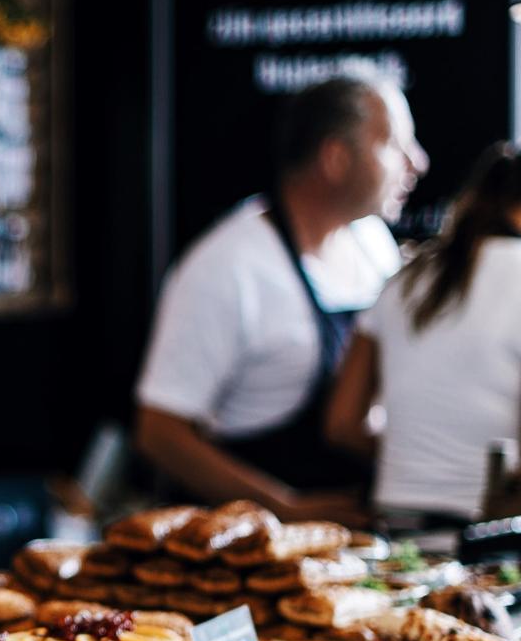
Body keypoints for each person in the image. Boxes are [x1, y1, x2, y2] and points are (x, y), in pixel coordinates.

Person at [135, 71, 429, 524]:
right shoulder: (228, 267)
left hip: (357, 536)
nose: (418, 162)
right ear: (335, 158)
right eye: (394, 144)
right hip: (248, 549)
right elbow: (159, 433)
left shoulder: (371, 242)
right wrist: (283, 509)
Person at [323, 131, 521, 524]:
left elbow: (342, 424)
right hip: (490, 539)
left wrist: (420, 460)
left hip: (394, 529)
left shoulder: (405, 279)